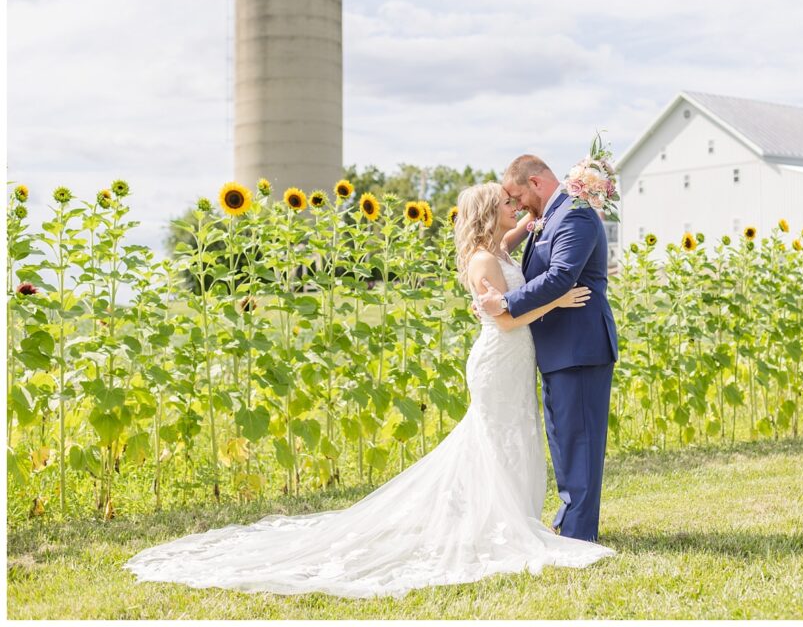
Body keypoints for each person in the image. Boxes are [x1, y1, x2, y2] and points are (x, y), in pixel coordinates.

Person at [123, 183, 614, 599]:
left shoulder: (498, 247)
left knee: (511, 435)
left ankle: (509, 516)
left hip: (512, 361)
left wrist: (529, 227)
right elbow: (504, 319)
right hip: (500, 355)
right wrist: (555, 302)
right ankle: (496, 523)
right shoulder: (484, 259)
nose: (518, 209)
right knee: (494, 438)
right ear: (490, 213)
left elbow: (508, 250)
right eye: (508, 205)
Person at [477, 154, 618, 543]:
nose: (517, 204)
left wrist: (505, 303)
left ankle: (578, 533)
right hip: (557, 349)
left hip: (580, 347)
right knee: (566, 440)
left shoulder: (574, 214)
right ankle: (569, 521)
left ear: (536, 183)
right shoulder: (547, 218)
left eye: (518, 195)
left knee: (581, 442)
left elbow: (560, 277)